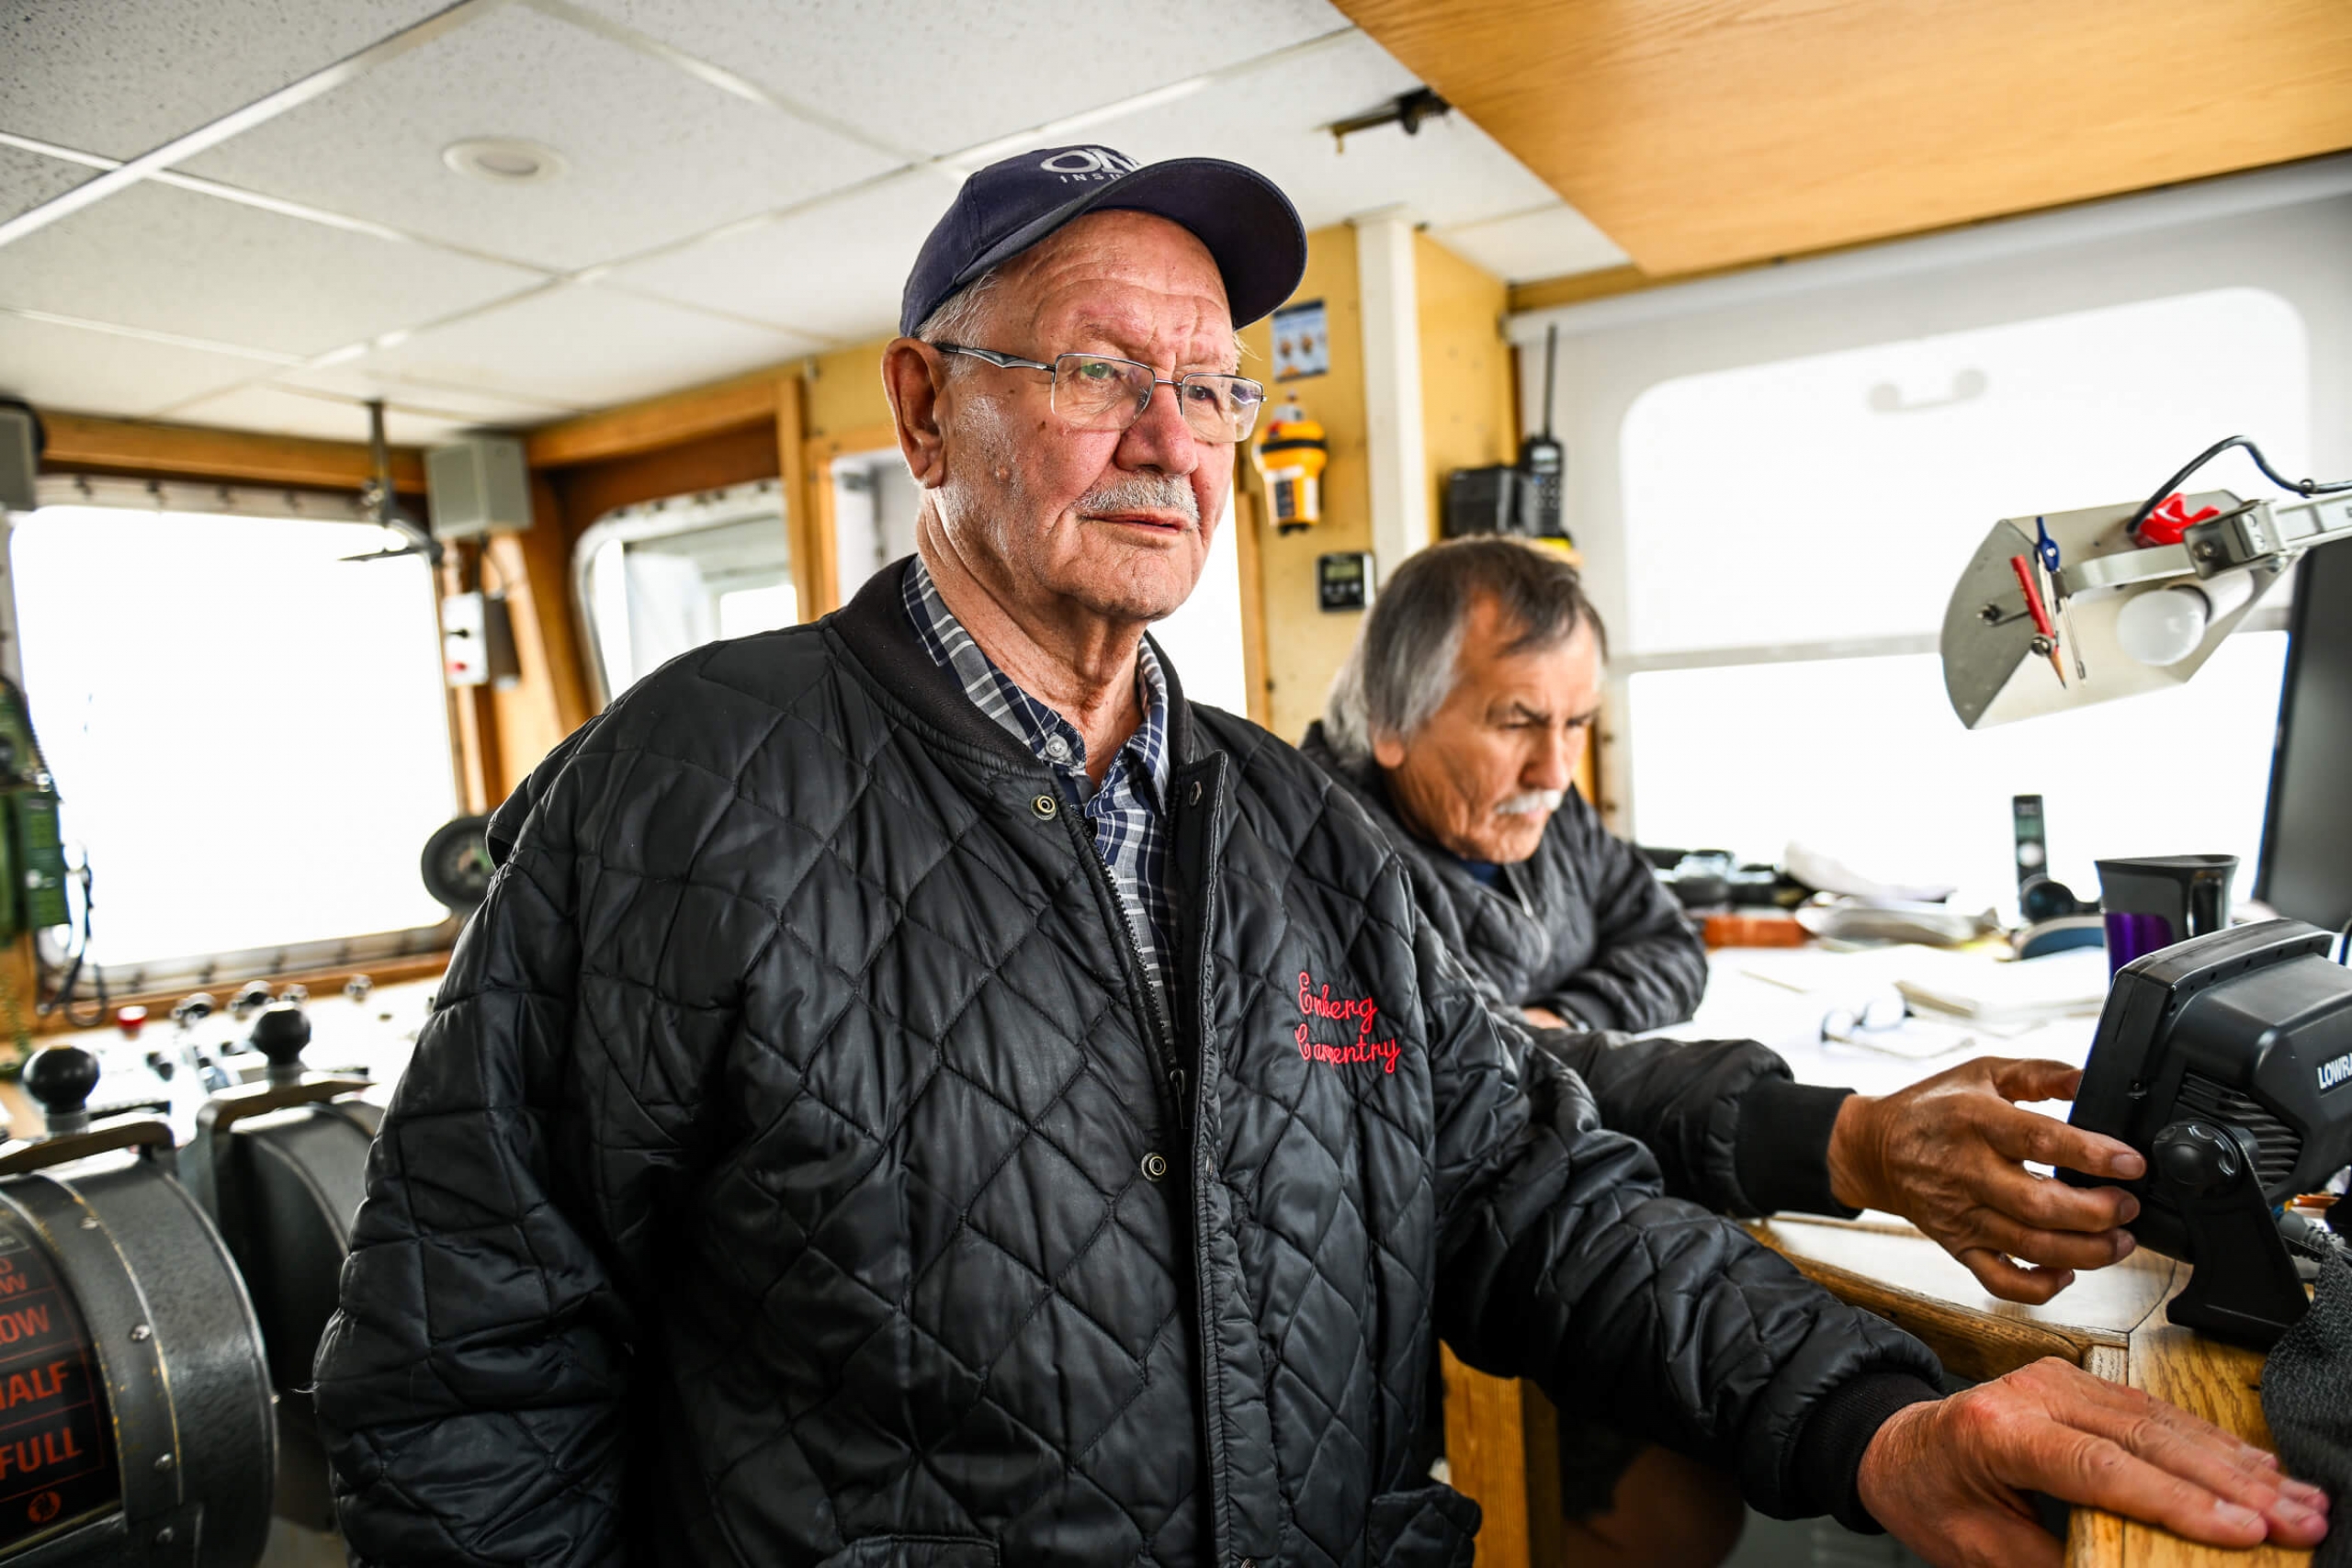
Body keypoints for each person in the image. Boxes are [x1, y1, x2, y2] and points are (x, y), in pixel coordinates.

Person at [314, 145, 2327, 1568]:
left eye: (1206, 386)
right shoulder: (683, 786)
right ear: (925, 408)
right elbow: (457, 1371)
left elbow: (1533, 1188)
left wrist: (1868, 1415)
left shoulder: (1287, 832)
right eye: (1096, 368)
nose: (1170, 434)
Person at [1302, 535, 2177, 1563]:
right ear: (1395, 723)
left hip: (1595, 1197)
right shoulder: (1335, 874)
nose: (1554, 768)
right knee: (1684, 1515)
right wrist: (1544, 1050)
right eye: (1517, 722)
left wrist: (1556, 1026)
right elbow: (1486, 1100)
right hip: (1460, 1301)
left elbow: (1663, 944)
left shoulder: (1546, 811)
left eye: (1577, 723)